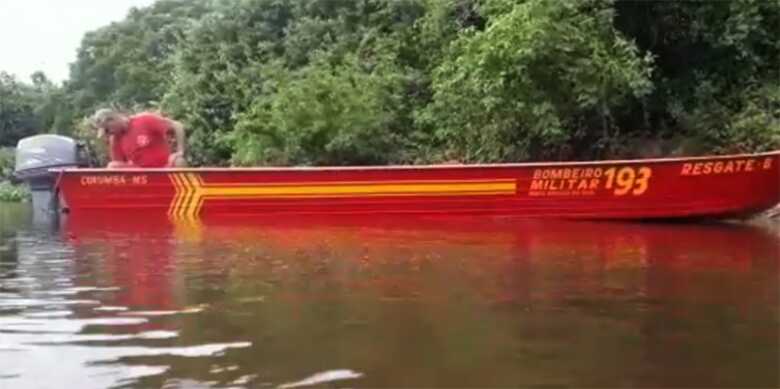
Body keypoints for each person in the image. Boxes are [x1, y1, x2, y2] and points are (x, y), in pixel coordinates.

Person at [90, 108, 187, 168]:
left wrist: (180, 150)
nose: (108, 134)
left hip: (164, 168)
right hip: (141, 175)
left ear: (112, 120)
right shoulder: (115, 139)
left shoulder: (144, 120)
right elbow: (118, 164)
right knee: (113, 166)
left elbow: (177, 125)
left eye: (107, 130)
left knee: (179, 161)